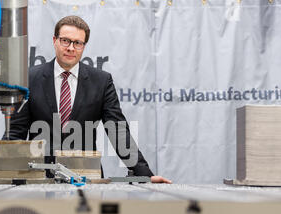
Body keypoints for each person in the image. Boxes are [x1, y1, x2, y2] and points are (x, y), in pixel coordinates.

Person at [9, 16, 171, 183]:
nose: (71, 48)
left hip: (86, 177)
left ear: (84, 46)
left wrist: (145, 174)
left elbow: (118, 131)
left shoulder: (101, 81)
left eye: (78, 43)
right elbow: (15, 132)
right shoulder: (29, 78)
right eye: (65, 41)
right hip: (39, 177)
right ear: (54, 40)